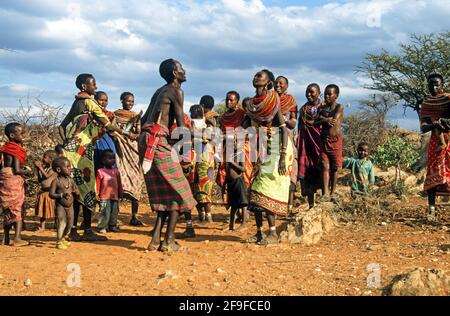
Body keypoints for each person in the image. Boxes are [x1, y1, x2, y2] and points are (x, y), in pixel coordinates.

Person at [139, 59, 197, 252]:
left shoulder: (159, 91)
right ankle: (169, 241)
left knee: (167, 193)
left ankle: (156, 240)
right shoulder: (176, 90)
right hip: (157, 141)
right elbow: (181, 126)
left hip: (147, 141)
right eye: (181, 68)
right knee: (181, 193)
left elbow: (143, 119)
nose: (184, 70)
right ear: (174, 73)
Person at [59, 73, 122, 242]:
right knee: (87, 191)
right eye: (93, 84)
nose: (96, 86)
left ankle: (72, 231)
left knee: (75, 191)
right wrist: (128, 135)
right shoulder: (89, 103)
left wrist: (67, 142)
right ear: (84, 87)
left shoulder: (77, 102)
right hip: (83, 153)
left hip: (71, 152)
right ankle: (86, 230)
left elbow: (62, 126)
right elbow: (107, 124)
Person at [244, 69, 294, 245]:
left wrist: (282, 157)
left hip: (279, 146)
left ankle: (272, 233)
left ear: (268, 82)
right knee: (255, 188)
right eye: (255, 75)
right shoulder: (250, 104)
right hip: (263, 148)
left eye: (260, 76)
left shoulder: (273, 100)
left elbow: (284, 129)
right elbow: (245, 127)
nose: (256, 77)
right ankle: (259, 232)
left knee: (266, 188)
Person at [219, 91, 252, 223]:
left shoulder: (242, 114)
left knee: (244, 178)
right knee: (229, 179)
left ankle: (245, 212)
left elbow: (246, 131)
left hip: (242, 147)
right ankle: (237, 213)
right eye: (227, 100)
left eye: (232, 100)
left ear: (237, 101)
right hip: (228, 148)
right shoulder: (223, 117)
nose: (229, 102)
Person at [420, 73, 450, 219]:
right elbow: (423, 127)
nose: (434, 87)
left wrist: (443, 121)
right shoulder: (426, 104)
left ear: (442, 84)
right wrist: (435, 124)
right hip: (435, 142)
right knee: (433, 173)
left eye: (437, 84)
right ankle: (431, 209)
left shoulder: (448, 99)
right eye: (431, 84)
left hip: (449, 137)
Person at [114, 92, 145, 226]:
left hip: (133, 150)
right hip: (120, 148)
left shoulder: (136, 116)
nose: (130, 103)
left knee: (137, 180)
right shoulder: (115, 115)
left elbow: (139, 133)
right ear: (121, 101)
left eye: (132, 101)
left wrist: (134, 134)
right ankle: (114, 216)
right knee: (120, 182)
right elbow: (113, 129)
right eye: (128, 101)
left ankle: (134, 216)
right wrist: (127, 132)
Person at [0, 123, 33, 246]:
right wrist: (28, 172)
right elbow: (17, 170)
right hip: (13, 180)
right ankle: (17, 238)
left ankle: (6, 237)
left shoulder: (4, 149)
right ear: (13, 135)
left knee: (7, 208)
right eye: (22, 133)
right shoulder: (15, 150)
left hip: (4, 180)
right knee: (17, 207)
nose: (24, 135)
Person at [316, 84, 344, 202]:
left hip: (335, 141)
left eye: (330, 94)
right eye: (325, 94)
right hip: (324, 140)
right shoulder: (321, 108)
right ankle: (326, 193)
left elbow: (334, 119)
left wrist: (322, 117)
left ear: (336, 96)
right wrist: (323, 118)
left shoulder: (339, 106)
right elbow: (315, 121)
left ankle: (333, 192)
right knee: (324, 166)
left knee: (334, 168)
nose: (327, 96)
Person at [298, 83, 323, 208]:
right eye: (307, 92)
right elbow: (300, 129)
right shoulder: (303, 109)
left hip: (320, 145)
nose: (309, 94)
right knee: (308, 175)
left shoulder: (324, 107)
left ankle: (324, 200)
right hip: (307, 147)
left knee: (322, 171)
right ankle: (311, 205)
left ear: (319, 93)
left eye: (312, 92)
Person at [275, 76, 298, 212]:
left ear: (286, 86)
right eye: (276, 83)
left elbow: (293, 122)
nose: (278, 85)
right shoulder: (270, 99)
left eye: (281, 83)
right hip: (270, 136)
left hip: (286, 137)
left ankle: (289, 204)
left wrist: (284, 120)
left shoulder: (291, 101)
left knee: (289, 168)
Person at [190, 104, 215, 224]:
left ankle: (205, 215)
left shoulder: (194, 125)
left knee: (200, 187)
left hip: (202, 159)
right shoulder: (207, 125)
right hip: (204, 159)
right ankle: (205, 215)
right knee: (203, 187)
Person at [49, 157, 80, 250]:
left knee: (70, 224)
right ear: (59, 169)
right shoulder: (56, 181)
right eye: (68, 167)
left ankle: (63, 238)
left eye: (70, 166)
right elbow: (51, 194)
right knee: (61, 223)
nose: (70, 168)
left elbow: (77, 192)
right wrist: (62, 195)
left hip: (70, 206)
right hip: (60, 206)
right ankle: (58, 241)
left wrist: (76, 193)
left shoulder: (71, 181)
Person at [96, 150, 123, 233]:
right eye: (109, 158)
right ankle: (103, 226)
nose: (112, 160)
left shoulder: (116, 172)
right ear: (103, 160)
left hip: (114, 196)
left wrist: (121, 193)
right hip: (104, 196)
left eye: (113, 158)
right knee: (104, 211)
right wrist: (97, 194)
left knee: (114, 212)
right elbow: (97, 184)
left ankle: (112, 226)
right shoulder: (100, 171)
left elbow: (119, 183)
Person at [225, 145, 248, 231]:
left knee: (243, 203)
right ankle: (231, 225)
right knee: (233, 204)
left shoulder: (240, 153)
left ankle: (244, 224)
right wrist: (225, 181)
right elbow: (227, 169)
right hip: (230, 182)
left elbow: (243, 169)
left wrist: (233, 163)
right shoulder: (229, 154)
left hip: (238, 181)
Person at [34, 150, 57, 231]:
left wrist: (40, 167)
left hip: (51, 192)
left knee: (55, 210)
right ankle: (42, 226)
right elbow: (40, 179)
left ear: (51, 159)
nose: (43, 159)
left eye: (45, 157)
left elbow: (47, 176)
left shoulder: (54, 169)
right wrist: (38, 169)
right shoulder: (45, 168)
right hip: (43, 192)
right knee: (42, 210)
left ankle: (56, 224)